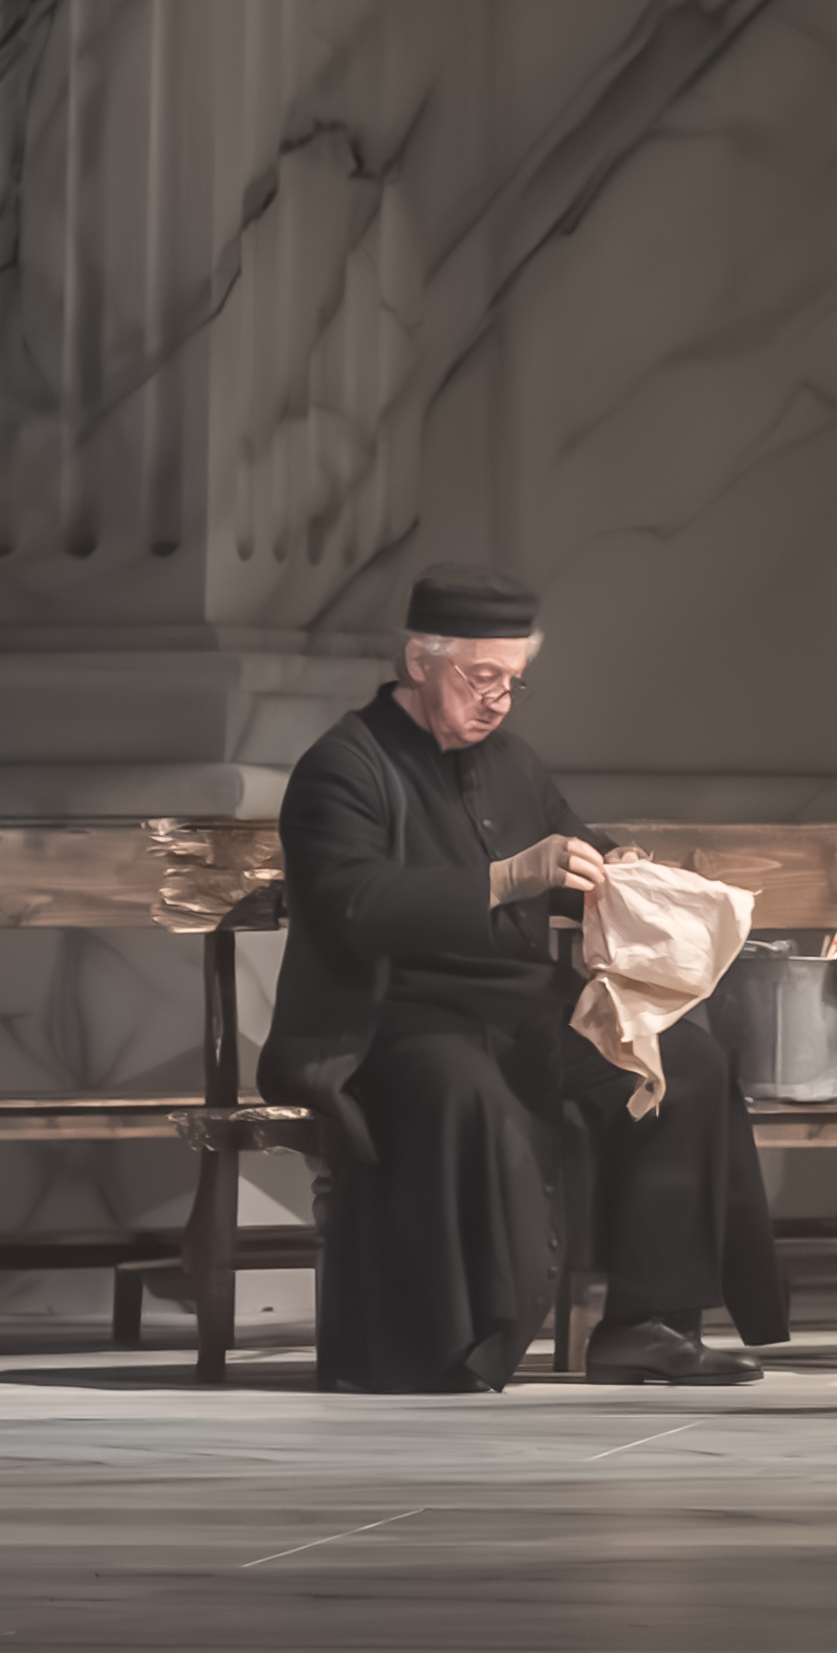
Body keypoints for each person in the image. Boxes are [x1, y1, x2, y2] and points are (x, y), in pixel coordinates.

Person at [264, 573, 789, 1391]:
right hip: (393, 1016)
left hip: (520, 1006)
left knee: (683, 1065)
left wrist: (612, 865)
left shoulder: (511, 761)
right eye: (483, 677)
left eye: (513, 680)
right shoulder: (344, 764)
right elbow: (350, 902)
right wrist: (504, 876)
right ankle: (465, 1338)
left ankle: (646, 1323)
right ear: (419, 659)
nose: (501, 700)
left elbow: (567, 844)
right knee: (467, 1091)